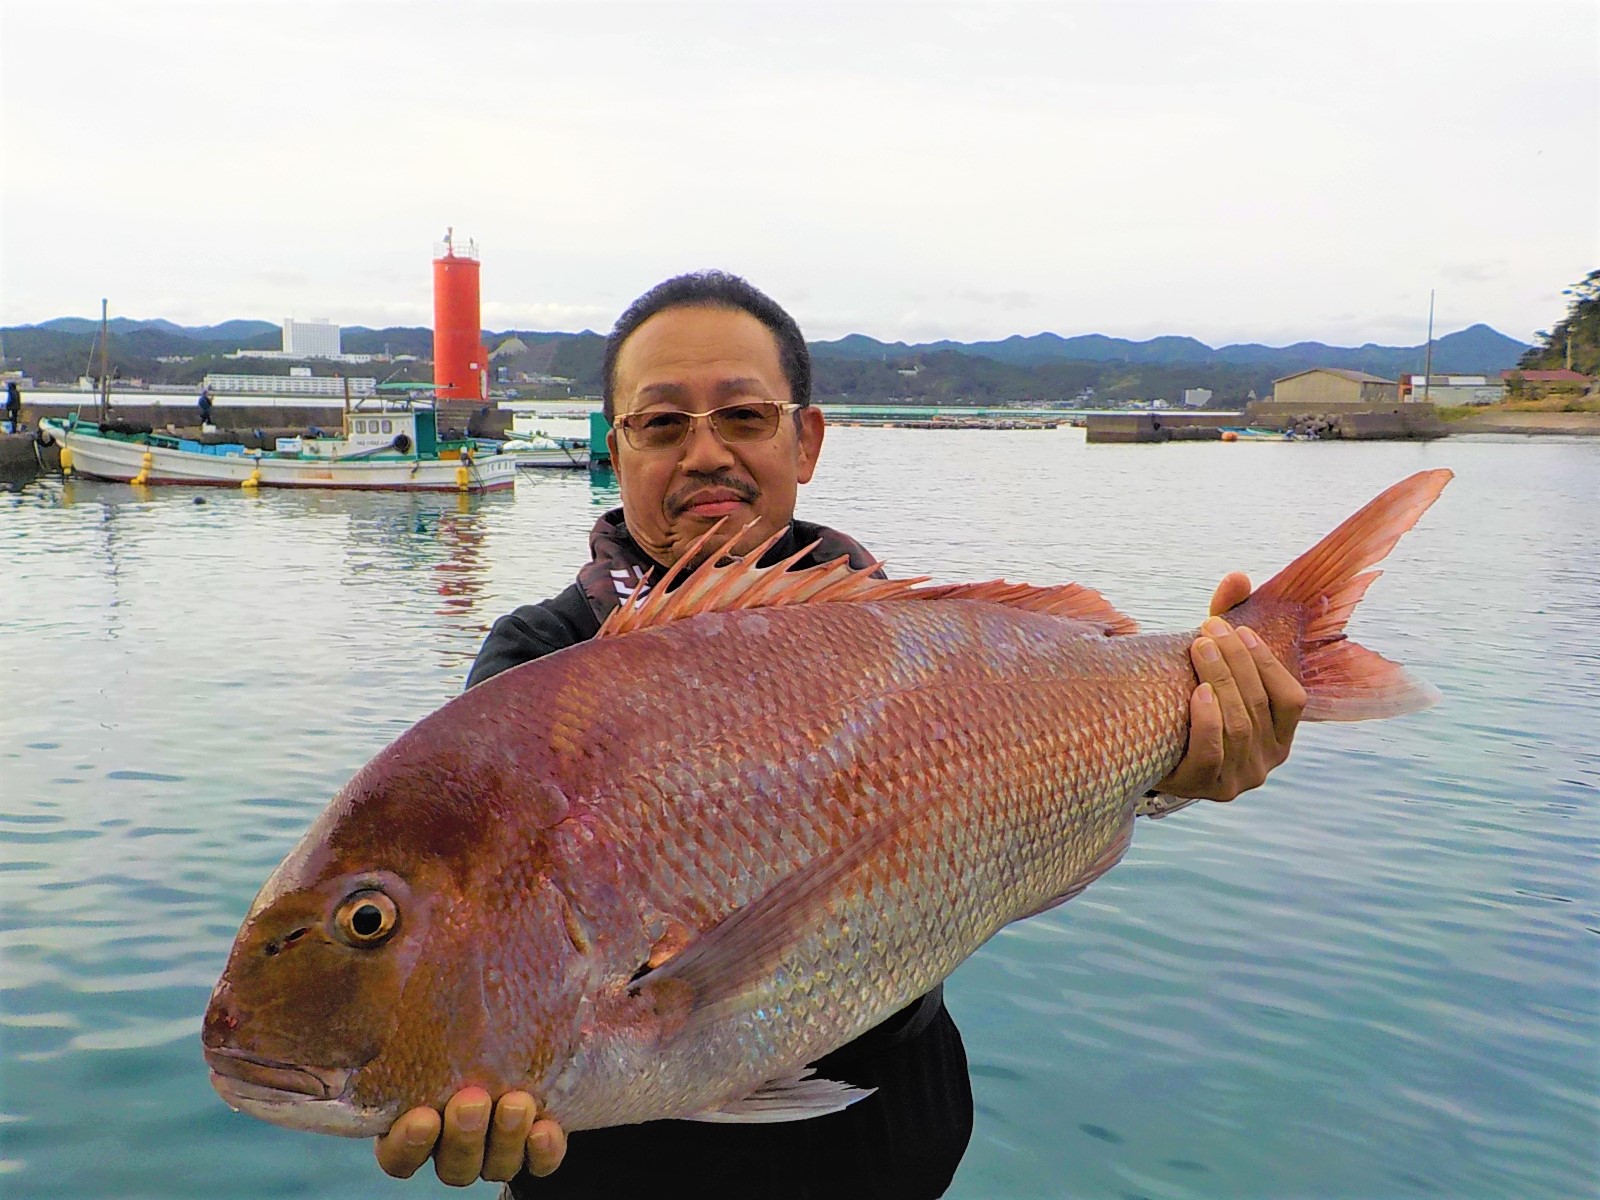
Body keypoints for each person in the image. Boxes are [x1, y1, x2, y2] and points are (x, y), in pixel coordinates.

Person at [374, 271, 1307, 1198]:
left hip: (885, 1159)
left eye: (743, 416)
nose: (704, 452)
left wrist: (1180, 763)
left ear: (806, 439)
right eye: (661, 424)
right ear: (615, 451)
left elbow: (1032, 790)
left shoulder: (904, 641)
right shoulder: (541, 665)